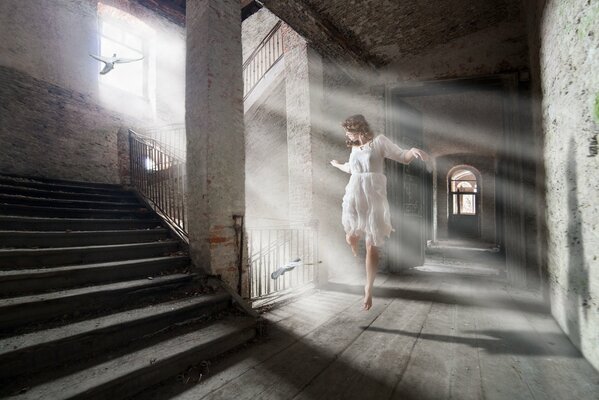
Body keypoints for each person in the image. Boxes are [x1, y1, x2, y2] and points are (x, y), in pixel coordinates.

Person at [330, 114, 429, 311]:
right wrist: (337, 165)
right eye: (347, 132)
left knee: (371, 244)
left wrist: (413, 151)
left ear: (359, 128)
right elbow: (351, 168)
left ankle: (369, 288)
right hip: (354, 192)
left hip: (374, 194)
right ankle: (352, 246)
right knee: (351, 235)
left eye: (349, 131)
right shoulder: (354, 148)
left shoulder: (379, 142)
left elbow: (401, 156)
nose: (347, 135)